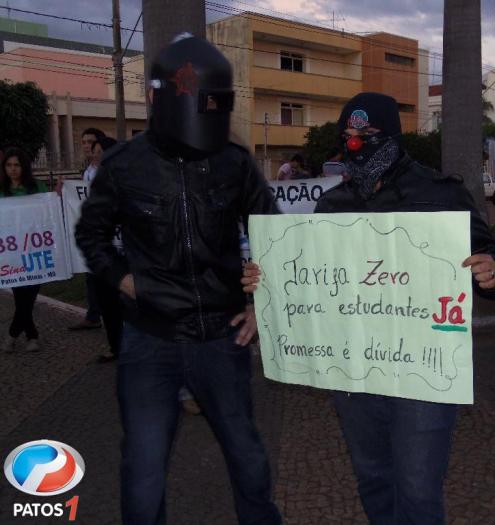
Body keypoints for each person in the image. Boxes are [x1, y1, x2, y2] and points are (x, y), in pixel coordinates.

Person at [244, 92, 495, 524]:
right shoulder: (333, 204)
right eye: (348, 134)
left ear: (390, 135)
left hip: (422, 374)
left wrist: (493, 270)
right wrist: (267, 283)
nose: (355, 142)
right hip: (355, 371)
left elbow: (492, 252)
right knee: (372, 478)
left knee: (418, 490)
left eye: (366, 134)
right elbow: (311, 278)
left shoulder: (440, 193)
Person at [75, 35, 281, 525]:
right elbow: (92, 232)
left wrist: (261, 304)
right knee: (143, 471)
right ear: (154, 98)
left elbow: (276, 234)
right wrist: (125, 281)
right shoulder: (124, 165)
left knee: (248, 458)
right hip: (150, 339)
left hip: (221, 334)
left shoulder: (234, 164)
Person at [0, 147, 48, 352]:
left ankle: (11, 335)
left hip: (35, 252)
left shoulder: (37, 187)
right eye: (9, 165)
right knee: (21, 297)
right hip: (12, 254)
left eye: (17, 165)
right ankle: (32, 336)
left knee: (30, 296)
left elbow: (49, 214)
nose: (13, 169)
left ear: (24, 166)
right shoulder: (1, 190)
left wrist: (58, 197)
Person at [88, 136, 125, 363]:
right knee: (108, 304)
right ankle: (115, 346)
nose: (97, 155)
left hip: (128, 255)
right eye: (95, 151)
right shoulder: (92, 180)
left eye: (102, 151)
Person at [69, 127, 107, 331]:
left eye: (90, 141)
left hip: (106, 232)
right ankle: (93, 315)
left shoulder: (107, 168)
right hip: (91, 229)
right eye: (83, 142)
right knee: (90, 274)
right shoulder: (87, 170)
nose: (87, 146)